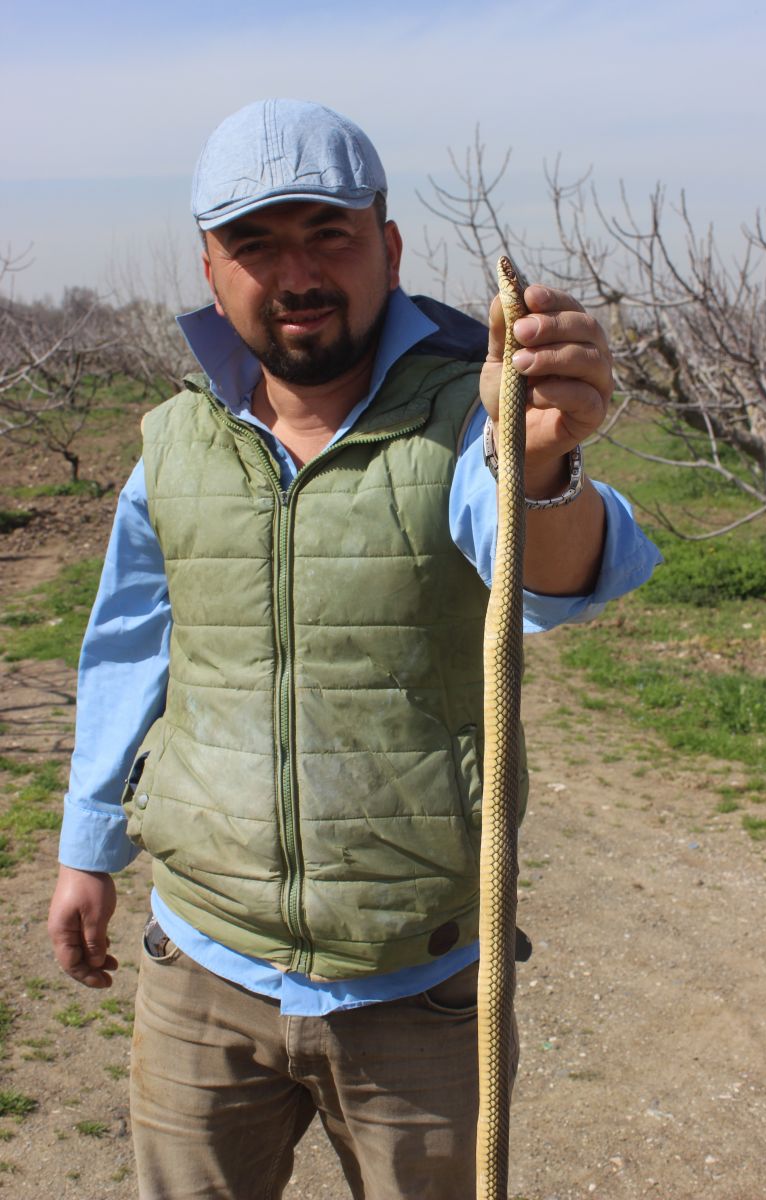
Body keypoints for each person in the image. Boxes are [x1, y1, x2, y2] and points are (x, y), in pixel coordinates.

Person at [47, 99, 660, 1199]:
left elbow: (551, 578)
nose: (294, 272)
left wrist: (542, 468)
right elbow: (128, 648)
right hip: (199, 967)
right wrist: (87, 851)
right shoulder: (172, 439)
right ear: (209, 261)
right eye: (255, 242)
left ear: (386, 245)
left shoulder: (469, 412)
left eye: (325, 234)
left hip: (419, 989)